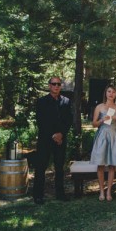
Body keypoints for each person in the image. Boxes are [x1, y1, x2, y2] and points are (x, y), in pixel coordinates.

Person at [33, 76, 73, 204]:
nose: (56, 86)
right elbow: (41, 121)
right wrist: (53, 135)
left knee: (60, 167)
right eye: (54, 84)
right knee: (41, 168)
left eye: (58, 84)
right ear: (49, 85)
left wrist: (61, 134)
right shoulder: (42, 102)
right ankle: (38, 195)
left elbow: (68, 120)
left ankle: (60, 194)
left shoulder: (66, 101)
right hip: (45, 139)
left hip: (61, 140)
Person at [90, 85, 116, 202]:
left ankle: (109, 191)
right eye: (109, 91)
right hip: (102, 135)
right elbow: (93, 124)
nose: (111, 94)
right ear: (106, 93)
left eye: (113, 92)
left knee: (111, 165)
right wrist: (102, 120)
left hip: (114, 136)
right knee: (100, 164)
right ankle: (101, 191)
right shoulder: (99, 107)